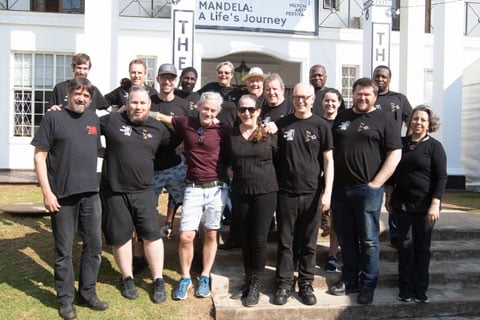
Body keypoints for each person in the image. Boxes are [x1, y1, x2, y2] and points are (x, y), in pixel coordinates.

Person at [32, 77, 108, 320]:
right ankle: (65, 300)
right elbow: (39, 157)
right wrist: (47, 192)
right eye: (78, 94)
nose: (82, 98)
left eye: (87, 96)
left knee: (94, 246)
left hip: (90, 193)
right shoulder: (52, 118)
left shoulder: (93, 119)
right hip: (62, 196)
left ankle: (87, 293)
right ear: (68, 93)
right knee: (63, 250)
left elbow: (95, 150)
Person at [150, 91, 230, 300]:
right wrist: (130, 110)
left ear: (218, 111)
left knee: (211, 233)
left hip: (216, 188)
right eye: (206, 109)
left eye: (213, 110)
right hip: (193, 188)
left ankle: (204, 276)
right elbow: (161, 117)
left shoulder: (224, 130)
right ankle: (185, 277)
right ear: (198, 107)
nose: (209, 113)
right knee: (186, 236)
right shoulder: (187, 123)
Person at [328, 78, 402, 305]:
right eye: (359, 93)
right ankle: (350, 280)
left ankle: (368, 285)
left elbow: (395, 153)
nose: (362, 98)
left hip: (367, 190)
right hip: (341, 190)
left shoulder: (385, 119)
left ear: (375, 97)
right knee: (346, 238)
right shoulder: (342, 117)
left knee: (369, 240)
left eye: (367, 94)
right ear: (353, 94)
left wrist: (377, 183)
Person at [99, 85, 172, 304]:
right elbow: (83, 124)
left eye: (142, 103)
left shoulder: (158, 128)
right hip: (114, 192)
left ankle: (158, 280)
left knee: (151, 236)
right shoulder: (111, 121)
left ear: (149, 106)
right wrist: (58, 109)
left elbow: (177, 138)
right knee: (120, 237)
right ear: (126, 103)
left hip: (145, 191)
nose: (138, 106)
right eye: (134, 102)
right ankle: (127, 277)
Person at [272, 83, 334, 306]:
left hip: (312, 193)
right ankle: (284, 284)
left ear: (313, 99)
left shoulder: (321, 125)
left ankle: (306, 283)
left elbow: (328, 161)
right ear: (292, 98)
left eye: (305, 97)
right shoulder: (281, 124)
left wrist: (327, 192)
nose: (300, 101)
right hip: (286, 194)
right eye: (297, 97)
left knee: (309, 243)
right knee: (285, 242)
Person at [389, 105, 447, 303]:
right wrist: (389, 197)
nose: (418, 122)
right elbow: (393, 173)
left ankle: (420, 289)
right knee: (405, 247)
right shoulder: (401, 143)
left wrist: (435, 203)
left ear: (429, 124)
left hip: (426, 206)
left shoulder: (435, 146)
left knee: (422, 248)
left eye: (423, 120)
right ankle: (404, 289)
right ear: (410, 121)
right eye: (415, 119)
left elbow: (441, 177)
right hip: (403, 204)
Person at [227, 94, 278, 306]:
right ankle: (248, 280)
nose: (246, 113)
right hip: (240, 192)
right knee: (245, 239)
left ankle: (257, 283)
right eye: (242, 109)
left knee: (258, 239)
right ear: (237, 112)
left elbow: (283, 159)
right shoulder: (230, 135)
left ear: (258, 111)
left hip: (266, 192)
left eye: (251, 109)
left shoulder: (269, 132)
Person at [373, 65, 413, 247]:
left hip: (395, 153)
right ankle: (371, 233)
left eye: (383, 77)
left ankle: (395, 234)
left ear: (389, 79)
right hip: (374, 154)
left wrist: (408, 143)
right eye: (377, 76)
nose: (380, 79)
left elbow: (411, 120)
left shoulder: (399, 99)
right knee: (374, 193)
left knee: (395, 195)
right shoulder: (370, 98)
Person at [150, 63, 189, 241]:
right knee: (148, 206)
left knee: (182, 199)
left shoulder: (182, 104)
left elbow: (190, 129)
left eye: (171, 78)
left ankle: (171, 225)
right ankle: (145, 242)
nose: (167, 81)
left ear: (175, 81)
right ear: (158, 79)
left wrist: (184, 142)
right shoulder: (149, 101)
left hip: (175, 164)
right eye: (164, 77)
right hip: (152, 165)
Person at [320, 88, 345, 272]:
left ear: (339, 102)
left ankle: (332, 254)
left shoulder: (345, 122)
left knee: (336, 218)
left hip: (340, 175)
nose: (329, 104)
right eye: (326, 100)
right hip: (317, 175)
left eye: (333, 101)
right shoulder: (317, 122)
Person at [198, 61, 242, 127]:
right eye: (220, 72)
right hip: (210, 130)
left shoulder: (238, 92)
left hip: (230, 131)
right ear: (217, 74)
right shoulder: (209, 87)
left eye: (226, 73)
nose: (223, 75)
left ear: (232, 75)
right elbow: (194, 98)